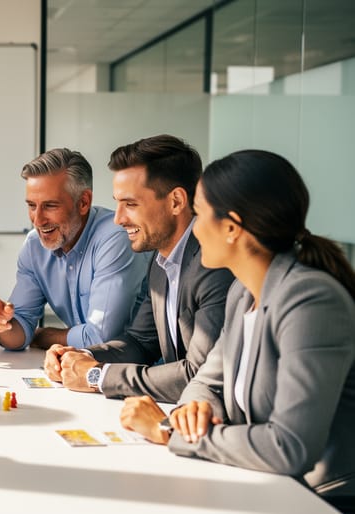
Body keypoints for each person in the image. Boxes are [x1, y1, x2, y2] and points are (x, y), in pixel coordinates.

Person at [119, 150, 355, 506]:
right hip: (264, 486)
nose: (193, 228)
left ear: (231, 228)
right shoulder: (243, 292)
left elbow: (289, 447)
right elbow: (205, 381)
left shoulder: (311, 301)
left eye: (198, 214)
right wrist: (196, 407)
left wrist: (168, 431)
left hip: (323, 499)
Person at [44, 135, 233, 402]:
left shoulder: (214, 264)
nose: (119, 219)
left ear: (176, 201)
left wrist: (97, 376)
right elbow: (140, 342)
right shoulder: (160, 262)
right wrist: (80, 356)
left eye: (131, 204)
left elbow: (200, 376)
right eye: (117, 203)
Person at [0, 148, 147, 351]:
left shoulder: (115, 237)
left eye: (50, 206)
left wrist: (41, 336)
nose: (38, 220)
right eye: (32, 205)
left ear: (84, 202)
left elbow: (101, 337)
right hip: (84, 369)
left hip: (138, 370)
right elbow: (20, 332)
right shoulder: (34, 246)